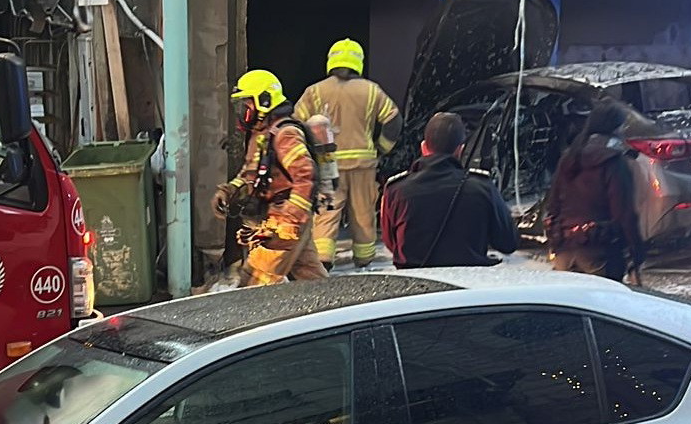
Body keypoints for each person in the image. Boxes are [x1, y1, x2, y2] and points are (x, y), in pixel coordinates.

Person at [211, 69, 328, 287]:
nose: (242, 112)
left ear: (264, 101)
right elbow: (251, 173)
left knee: (254, 282)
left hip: (284, 221)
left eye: (246, 104)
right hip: (278, 218)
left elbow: (305, 177)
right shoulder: (260, 133)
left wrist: (289, 218)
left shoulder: (285, 134)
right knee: (310, 277)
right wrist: (229, 191)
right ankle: (340, 304)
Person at [294, 39, 402, 270]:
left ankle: (323, 258)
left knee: (326, 212)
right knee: (363, 215)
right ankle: (364, 259)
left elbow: (296, 124)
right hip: (363, 165)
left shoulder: (314, 92)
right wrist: (382, 148)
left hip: (328, 165)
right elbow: (393, 120)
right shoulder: (371, 90)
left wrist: (309, 153)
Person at [380, 112, 518, 268]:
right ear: (460, 150)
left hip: (413, 279)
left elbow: (391, 243)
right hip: (470, 279)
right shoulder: (482, 187)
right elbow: (508, 243)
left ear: (423, 147)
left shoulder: (395, 190)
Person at [544, 100, 644, 283]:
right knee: (604, 298)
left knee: (570, 299)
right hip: (599, 250)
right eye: (622, 126)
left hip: (564, 248)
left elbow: (553, 205)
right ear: (615, 128)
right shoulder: (613, 161)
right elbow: (624, 213)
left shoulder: (569, 157)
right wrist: (637, 252)